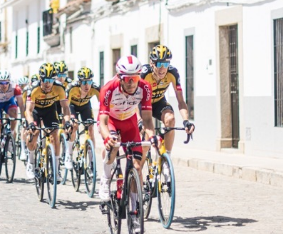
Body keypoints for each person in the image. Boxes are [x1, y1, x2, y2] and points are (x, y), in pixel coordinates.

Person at [97, 56, 157, 219]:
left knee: (137, 167)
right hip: (112, 122)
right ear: (120, 77)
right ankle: (105, 179)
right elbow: (102, 122)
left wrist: (151, 135)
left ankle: (134, 206)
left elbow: (147, 119)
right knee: (113, 145)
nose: (132, 83)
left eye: (136, 78)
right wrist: (107, 137)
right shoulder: (108, 88)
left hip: (129, 121)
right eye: (128, 79)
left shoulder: (145, 88)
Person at [140, 45, 195, 156]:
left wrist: (186, 121)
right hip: (143, 105)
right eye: (159, 64)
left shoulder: (172, 73)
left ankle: (166, 159)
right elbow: (134, 99)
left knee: (170, 119)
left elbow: (181, 101)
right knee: (145, 143)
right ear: (152, 63)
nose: (162, 69)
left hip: (159, 102)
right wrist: (139, 120)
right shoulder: (144, 74)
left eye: (166, 64)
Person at [24, 63, 70, 179]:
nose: (48, 83)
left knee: (55, 135)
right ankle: (31, 162)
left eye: (51, 80)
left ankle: (57, 168)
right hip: (36, 110)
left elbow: (65, 107)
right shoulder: (34, 89)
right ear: (40, 78)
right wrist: (30, 124)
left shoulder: (59, 87)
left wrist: (68, 121)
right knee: (34, 133)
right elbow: (28, 111)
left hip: (50, 110)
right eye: (45, 80)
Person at [0, 70, 24, 172]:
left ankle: (11, 135)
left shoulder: (15, 87)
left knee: (14, 112)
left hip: (9, 102)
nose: (4, 85)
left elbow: (21, 105)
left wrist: (24, 118)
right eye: (1, 83)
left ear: (9, 81)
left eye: (6, 82)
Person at [66, 66, 100, 160]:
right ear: (79, 82)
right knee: (74, 125)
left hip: (85, 106)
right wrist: (69, 119)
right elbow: (65, 106)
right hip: (72, 106)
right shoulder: (72, 87)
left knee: (90, 129)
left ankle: (91, 159)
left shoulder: (95, 88)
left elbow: (103, 105)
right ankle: (69, 154)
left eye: (89, 82)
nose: (87, 85)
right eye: (84, 82)